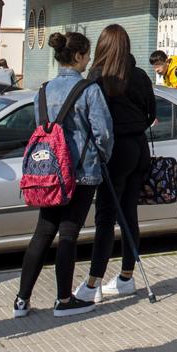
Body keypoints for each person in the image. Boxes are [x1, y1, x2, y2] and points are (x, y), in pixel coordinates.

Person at [14, 32, 113, 319]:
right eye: (87, 55)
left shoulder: (43, 90)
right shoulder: (89, 90)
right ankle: (63, 299)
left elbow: (39, 125)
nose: (89, 60)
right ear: (80, 56)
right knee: (69, 233)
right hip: (81, 172)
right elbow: (103, 133)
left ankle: (22, 300)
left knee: (43, 232)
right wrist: (101, 156)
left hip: (49, 172)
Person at [77, 25, 157, 305]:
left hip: (115, 151)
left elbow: (93, 119)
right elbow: (152, 113)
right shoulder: (139, 75)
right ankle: (125, 276)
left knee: (106, 217)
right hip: (138, 148)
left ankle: (93, 282)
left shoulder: (98, 77)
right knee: (129, 213)